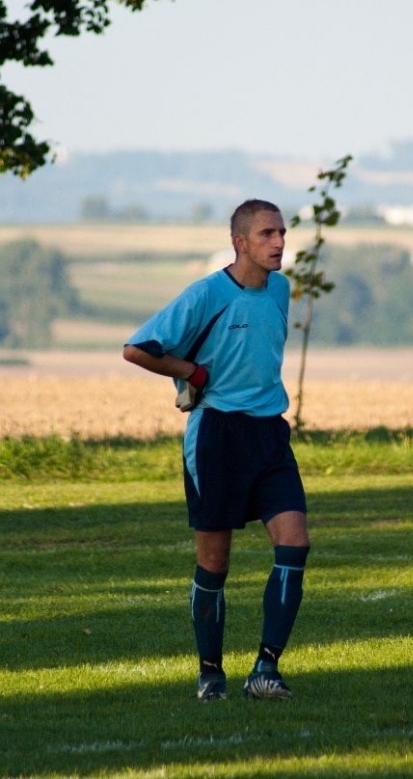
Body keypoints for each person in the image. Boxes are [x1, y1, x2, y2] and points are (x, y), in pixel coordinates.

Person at [122, 199, 309, 701]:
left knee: (295, 545)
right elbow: (137, 347)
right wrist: (190, 372)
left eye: (282, 233)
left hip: (270, 434)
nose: (279, 243)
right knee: (215, 564)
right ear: (240, 242)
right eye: (267, 234)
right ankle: (211, 674)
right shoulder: (205, 294)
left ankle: (266, 670)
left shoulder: (282, 289)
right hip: (216, 437)